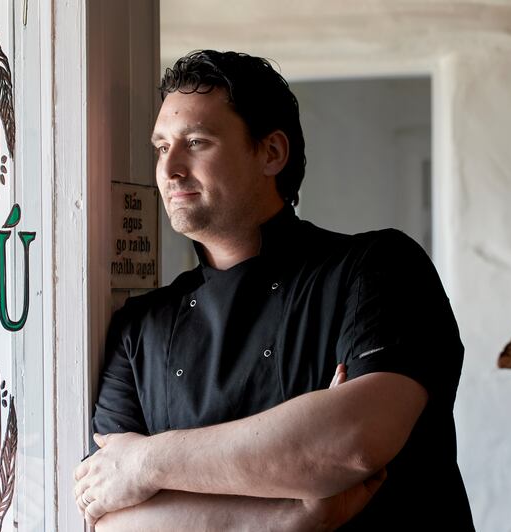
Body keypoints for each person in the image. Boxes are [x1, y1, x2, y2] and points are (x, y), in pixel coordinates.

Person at [74, 50, 474, 531]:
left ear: (271, 153)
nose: (170, 169)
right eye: (162, 147)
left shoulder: (379, 268)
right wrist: (290, 517)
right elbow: (112, 519)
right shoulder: (141, 324)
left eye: (196, 142)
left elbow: (353, 441)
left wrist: (145, 463)